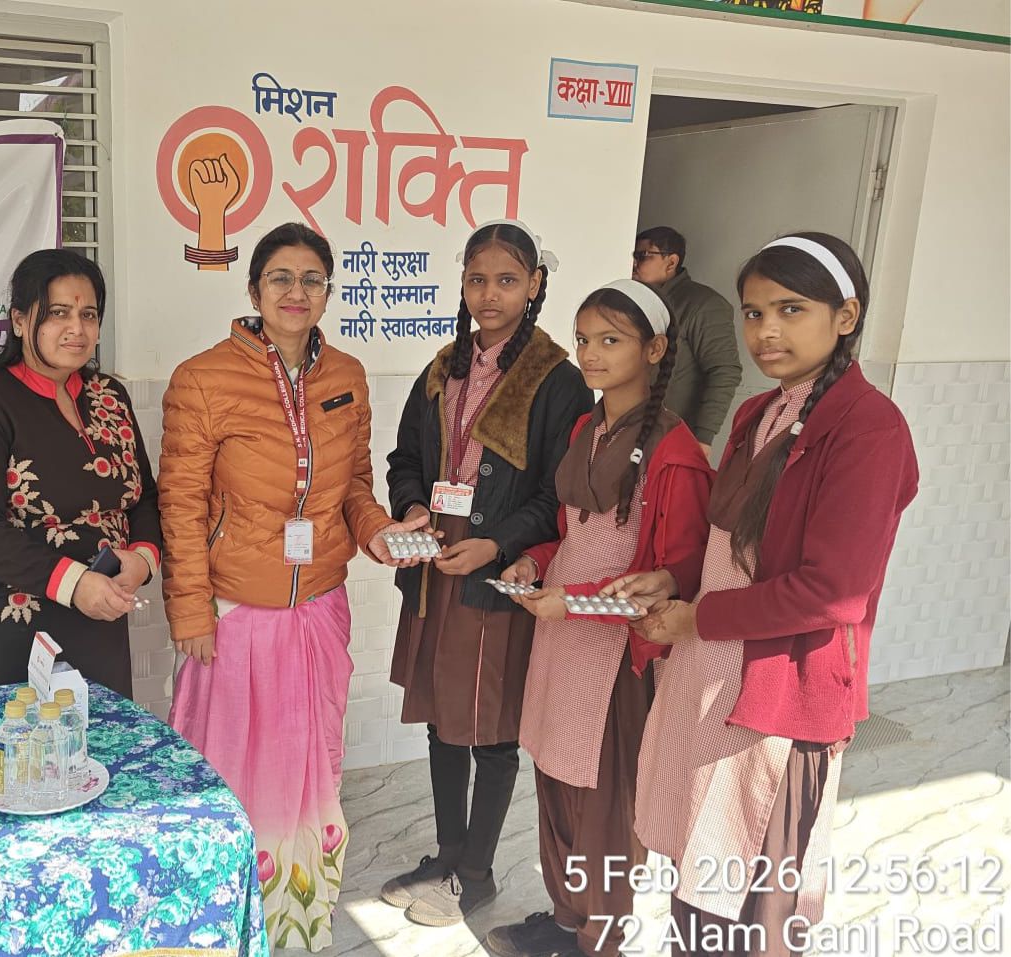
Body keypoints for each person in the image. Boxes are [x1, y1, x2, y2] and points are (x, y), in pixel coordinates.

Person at [606, 233, 918, 956]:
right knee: (696, 879)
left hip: (777, 696)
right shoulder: (758, 414)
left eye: (790, 308)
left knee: (749, 906)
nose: (765, 331)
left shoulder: (869, 428)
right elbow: (730, 544)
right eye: (752, 313)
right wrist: (676, 581)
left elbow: (833, 592)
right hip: (710, 677)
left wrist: (698, 615)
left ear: (846, 316)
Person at [160, 222, 428, 952]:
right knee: (229, 771)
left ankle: (293, 918)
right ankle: (215, 910)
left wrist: (382, 534)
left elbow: (356, 489)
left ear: (326, 292)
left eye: (312, 279)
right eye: (281, 277)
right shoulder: (203, 377)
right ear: (254, 289)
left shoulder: (345, 373)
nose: (296, 291)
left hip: (319, 607)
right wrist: (190, 607)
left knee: (310, 776)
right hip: (236, 612)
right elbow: (179, 505)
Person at [484, 279, 711, 957]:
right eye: (584, 339)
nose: (590, 353)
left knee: (606, 802)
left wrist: (573, 600)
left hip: (616, 656)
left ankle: (598, 937)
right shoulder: (588, 428)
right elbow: (571, 532)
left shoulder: (676, 453)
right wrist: (535, 561)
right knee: (554, 775)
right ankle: (562, 916)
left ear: (655, 348)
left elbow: (667, 581)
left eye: (610, 340)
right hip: (560, 636)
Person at [383, 220, 592, 928]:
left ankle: (477, 872)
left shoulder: (559, 380)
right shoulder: (444, 364)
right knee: (446, 713)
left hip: (493, 566)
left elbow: (557, 493)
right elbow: (405, 456)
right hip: (437, 559)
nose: (489, 294)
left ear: (535, 284)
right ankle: (447, 853)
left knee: (492, 727)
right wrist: (412, 506)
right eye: (477, 279)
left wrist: (497, 542)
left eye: (507, 279)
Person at [0, 249, 161, 695]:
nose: (76, 329)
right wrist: (74, 583)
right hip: (16, 619)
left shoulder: (109, 395)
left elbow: (144, 498)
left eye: (88, 314)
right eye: (58, 313)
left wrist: (141, 558)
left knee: (99, 754)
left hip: (103, 618)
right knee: (25, 758)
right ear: (20, 321)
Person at [633, 226, 742, 456]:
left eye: (642, 255)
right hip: (632, 431)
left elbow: (724, 371)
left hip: (674, 436)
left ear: (671, 262)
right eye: (631, 255)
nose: (634, 263)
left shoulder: (704, 304)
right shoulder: (637, 302)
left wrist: (703, 437)